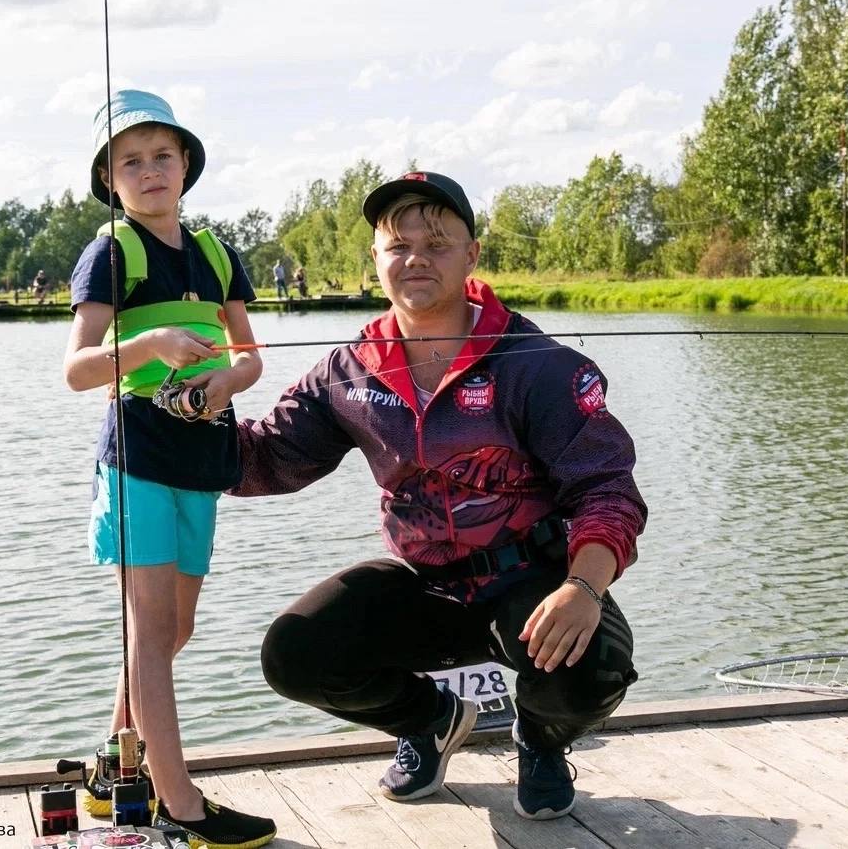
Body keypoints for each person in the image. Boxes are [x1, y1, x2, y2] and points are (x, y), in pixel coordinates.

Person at [231, 171, 646, 821]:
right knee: (295, 652)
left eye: (437, 242)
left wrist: (584, 587)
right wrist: (186, 419)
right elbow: (269, 460)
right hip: (423, 588)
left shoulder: (536, 364)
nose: (415, 257)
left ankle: (538, 737)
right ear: (375, 258)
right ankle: (431, 720)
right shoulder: (347, 371)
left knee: (591, 664)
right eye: (397, 245)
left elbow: (608, 489)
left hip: (530, 582)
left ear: (472, 255)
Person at [61, 89, 275, 849]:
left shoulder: (218, 253)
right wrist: (149, 349)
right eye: (130, 160)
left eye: (161, 155)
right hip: (139, 457)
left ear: (186, 163)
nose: (149, 170)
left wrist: (227, 380)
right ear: (110, 179)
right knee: (150, 628)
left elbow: (248, 353)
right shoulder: (112, 252)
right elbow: (78, 369)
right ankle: (175, 801)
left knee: (175, 624)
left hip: (203, 452)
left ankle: (108, 768)